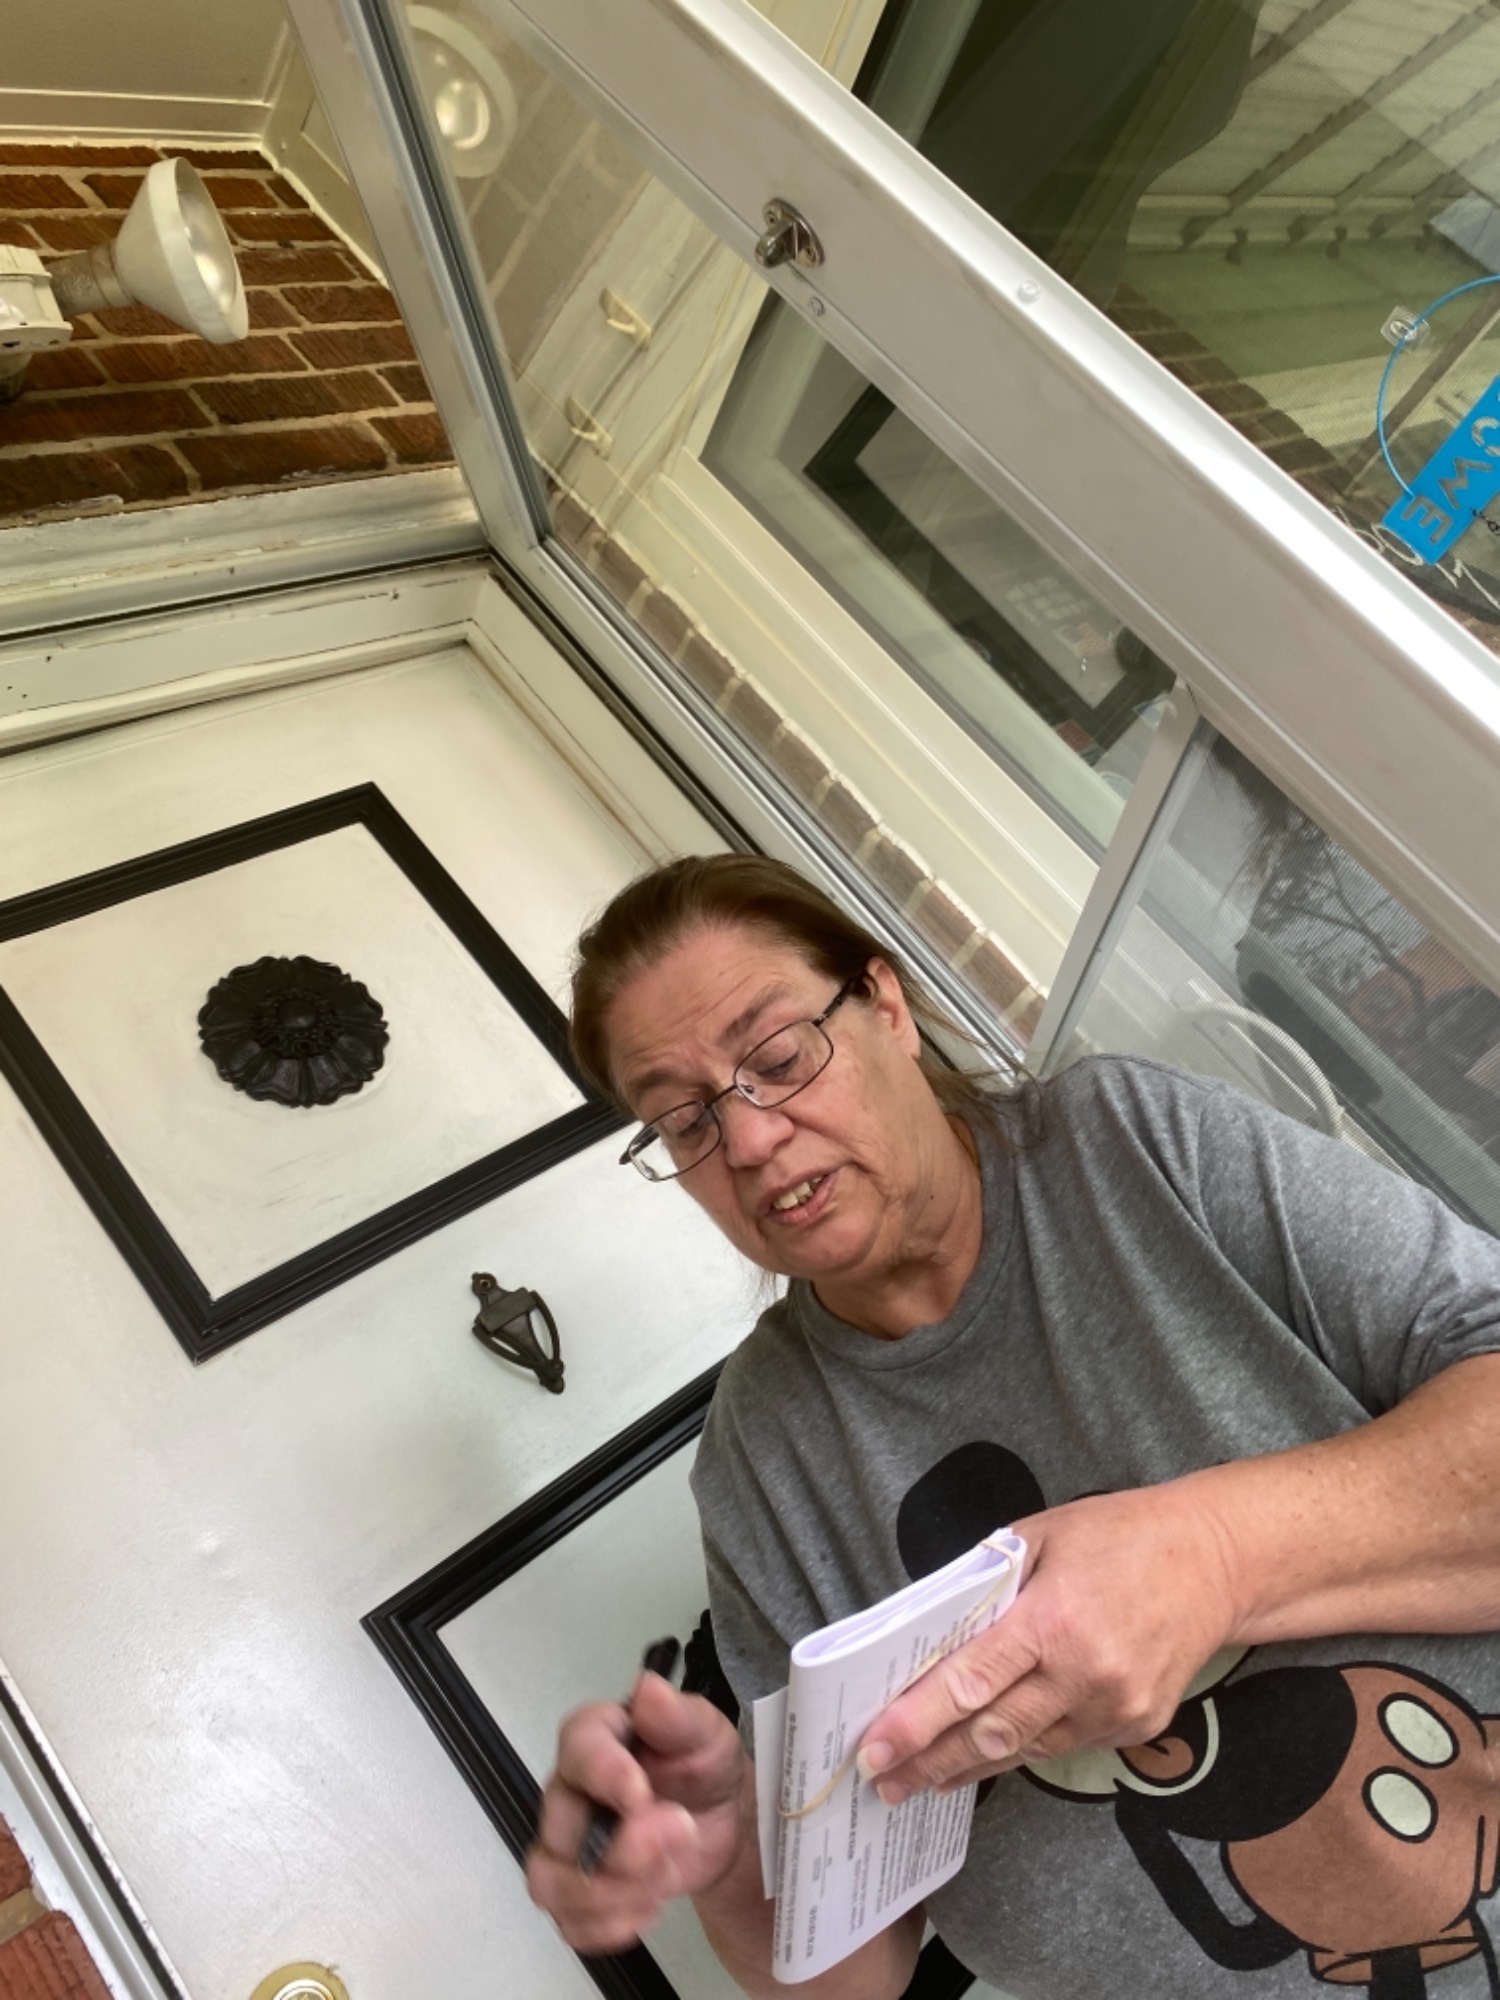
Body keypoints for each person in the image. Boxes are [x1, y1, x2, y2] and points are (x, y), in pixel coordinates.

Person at [526, 854, 1500, 2000]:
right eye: (683, 1120)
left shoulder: (1128, 1142)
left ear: (886, 1006)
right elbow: (855, 1974)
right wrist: (728, 1845)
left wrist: (1216, 1559)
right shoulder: (759, 1458)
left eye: (779, 1057)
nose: (746, 1140)